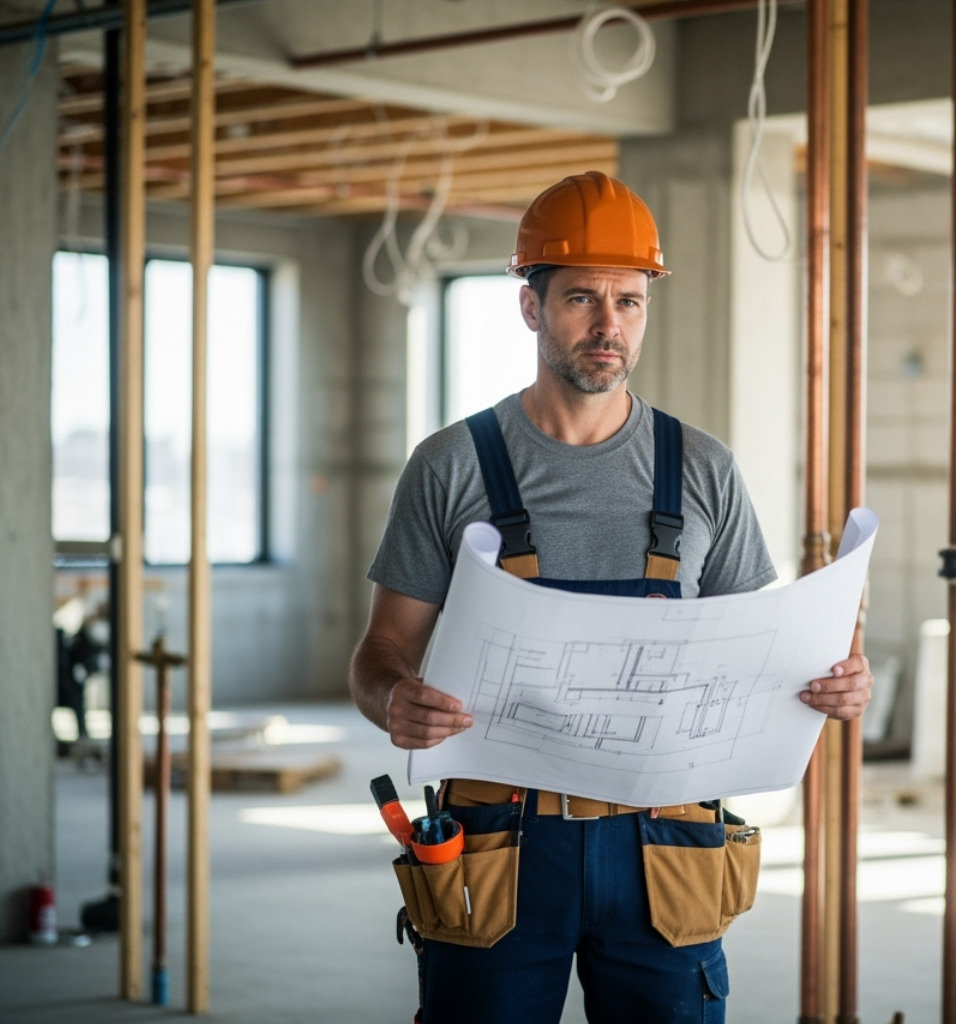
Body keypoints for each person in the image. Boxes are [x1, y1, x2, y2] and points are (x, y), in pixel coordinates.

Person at [350, 170, 872, 1024]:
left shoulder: (701, 467)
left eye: (629, 301)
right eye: (581, 299)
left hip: (665, 842)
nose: (609, 325)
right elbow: (381, 653)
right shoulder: (450, 465)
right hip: (500, 845)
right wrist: (394, 700)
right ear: (530, 307)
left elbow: (761, 655)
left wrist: (835, 685)